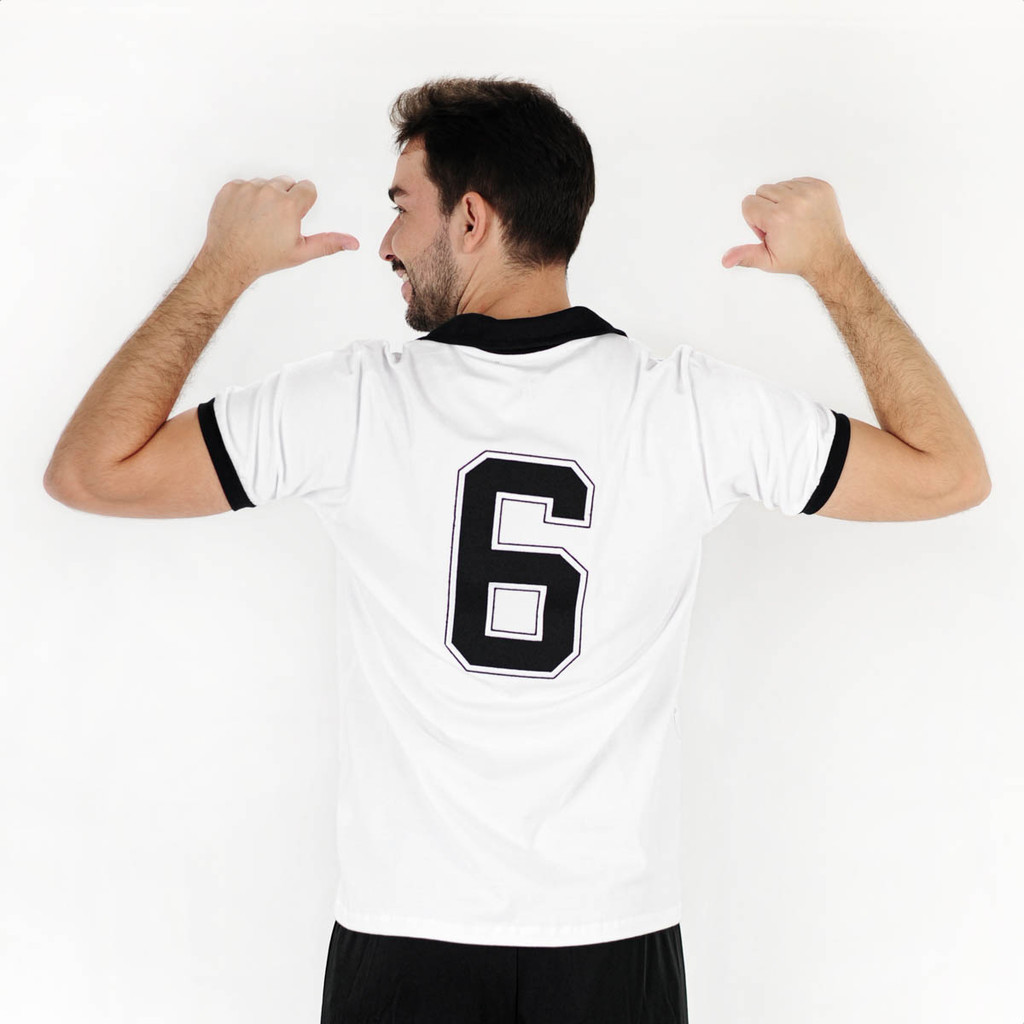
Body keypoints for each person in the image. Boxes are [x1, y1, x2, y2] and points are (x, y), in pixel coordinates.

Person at [42, 75, 990, 1024]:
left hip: (405, 940)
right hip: (610, 944)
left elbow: (93, 471)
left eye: (402, 207)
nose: (386, 243)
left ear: (471, 221)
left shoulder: (355, 404)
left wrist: (223, 267)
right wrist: (834, 269)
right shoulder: (689, 410)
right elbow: (946, 474)